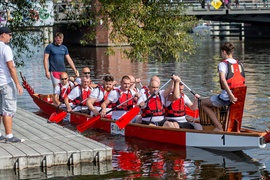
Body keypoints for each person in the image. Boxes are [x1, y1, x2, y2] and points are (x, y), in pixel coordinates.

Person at [200, 42, 245, 131]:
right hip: (239, 95)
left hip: (228, 96)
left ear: (224, 52)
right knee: (229, 106)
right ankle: (230, 128)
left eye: (221, 52)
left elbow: (223, 80)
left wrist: (230, 95)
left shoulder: (223, 64)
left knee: (203, 103)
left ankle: (219, 127)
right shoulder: (240, 64)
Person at [0, 27, 24, 143]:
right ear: (3, 35)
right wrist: (18, 84)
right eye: (9, 35)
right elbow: (11, 67)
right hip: (5, 82)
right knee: (8, 109)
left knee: (0, 110)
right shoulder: (5, 48)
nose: (10, 37)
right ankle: (9, 136)